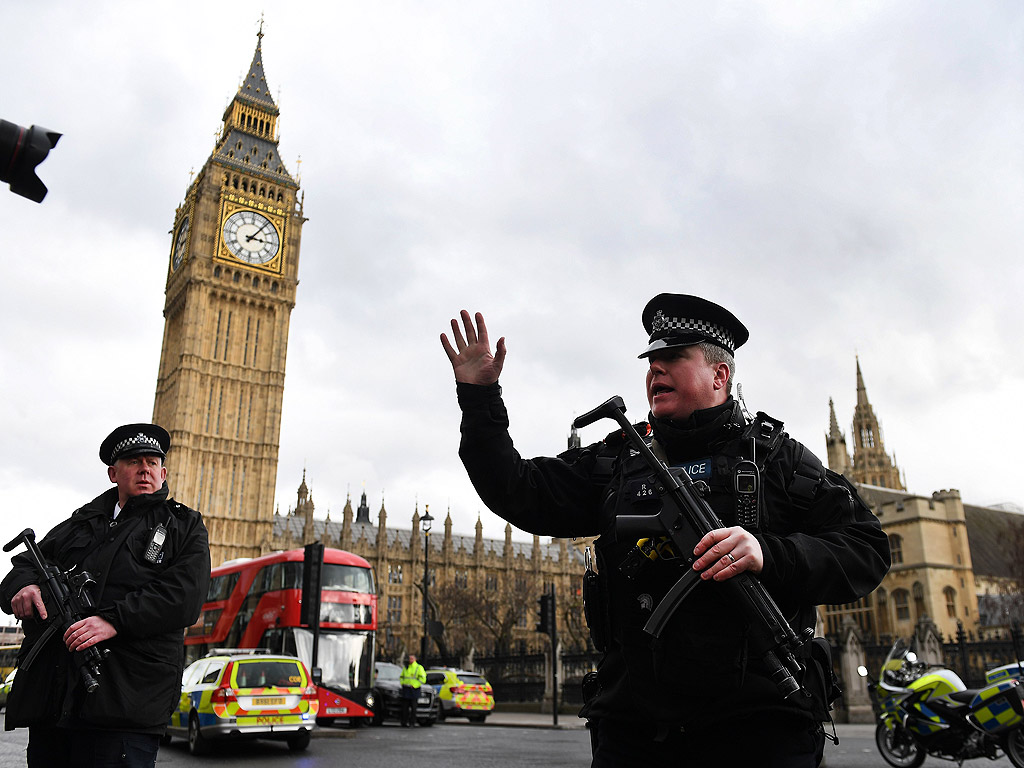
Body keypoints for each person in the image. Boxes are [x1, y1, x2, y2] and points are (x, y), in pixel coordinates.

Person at [441, 295, 890, 767]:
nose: (656, 370)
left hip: (758, 726)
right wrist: (479, 396)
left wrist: (769, 553)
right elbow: (518, 489)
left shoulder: (776, 459)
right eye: (652, 360)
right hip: (635, 729)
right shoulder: (617, 459)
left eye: (674, 357)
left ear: (720, 375)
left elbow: (867, 547)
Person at [1, 423, 211, 768]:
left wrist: (113, 620)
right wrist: (23, 586)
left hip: (125, 703)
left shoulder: (183, 525)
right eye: (133, 461)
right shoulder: (84, 522)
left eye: (152, 462)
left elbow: (185, 595)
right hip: (55, 705)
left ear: (163, 472)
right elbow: (26, 562)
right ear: (114, 473)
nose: (144, 468)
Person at [398, 653, 426, 727]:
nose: (410, 660)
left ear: (415, 659)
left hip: (414, 690)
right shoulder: (406, 667)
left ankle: (412, 723)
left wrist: (415, 685)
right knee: (405, 708)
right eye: (410, 659)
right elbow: (401, 677)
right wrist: (403, 683)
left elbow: (423, 679)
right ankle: (404, 722)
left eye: (412, 659)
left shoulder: (418, 667)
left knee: (413, 708)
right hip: (406, 689)